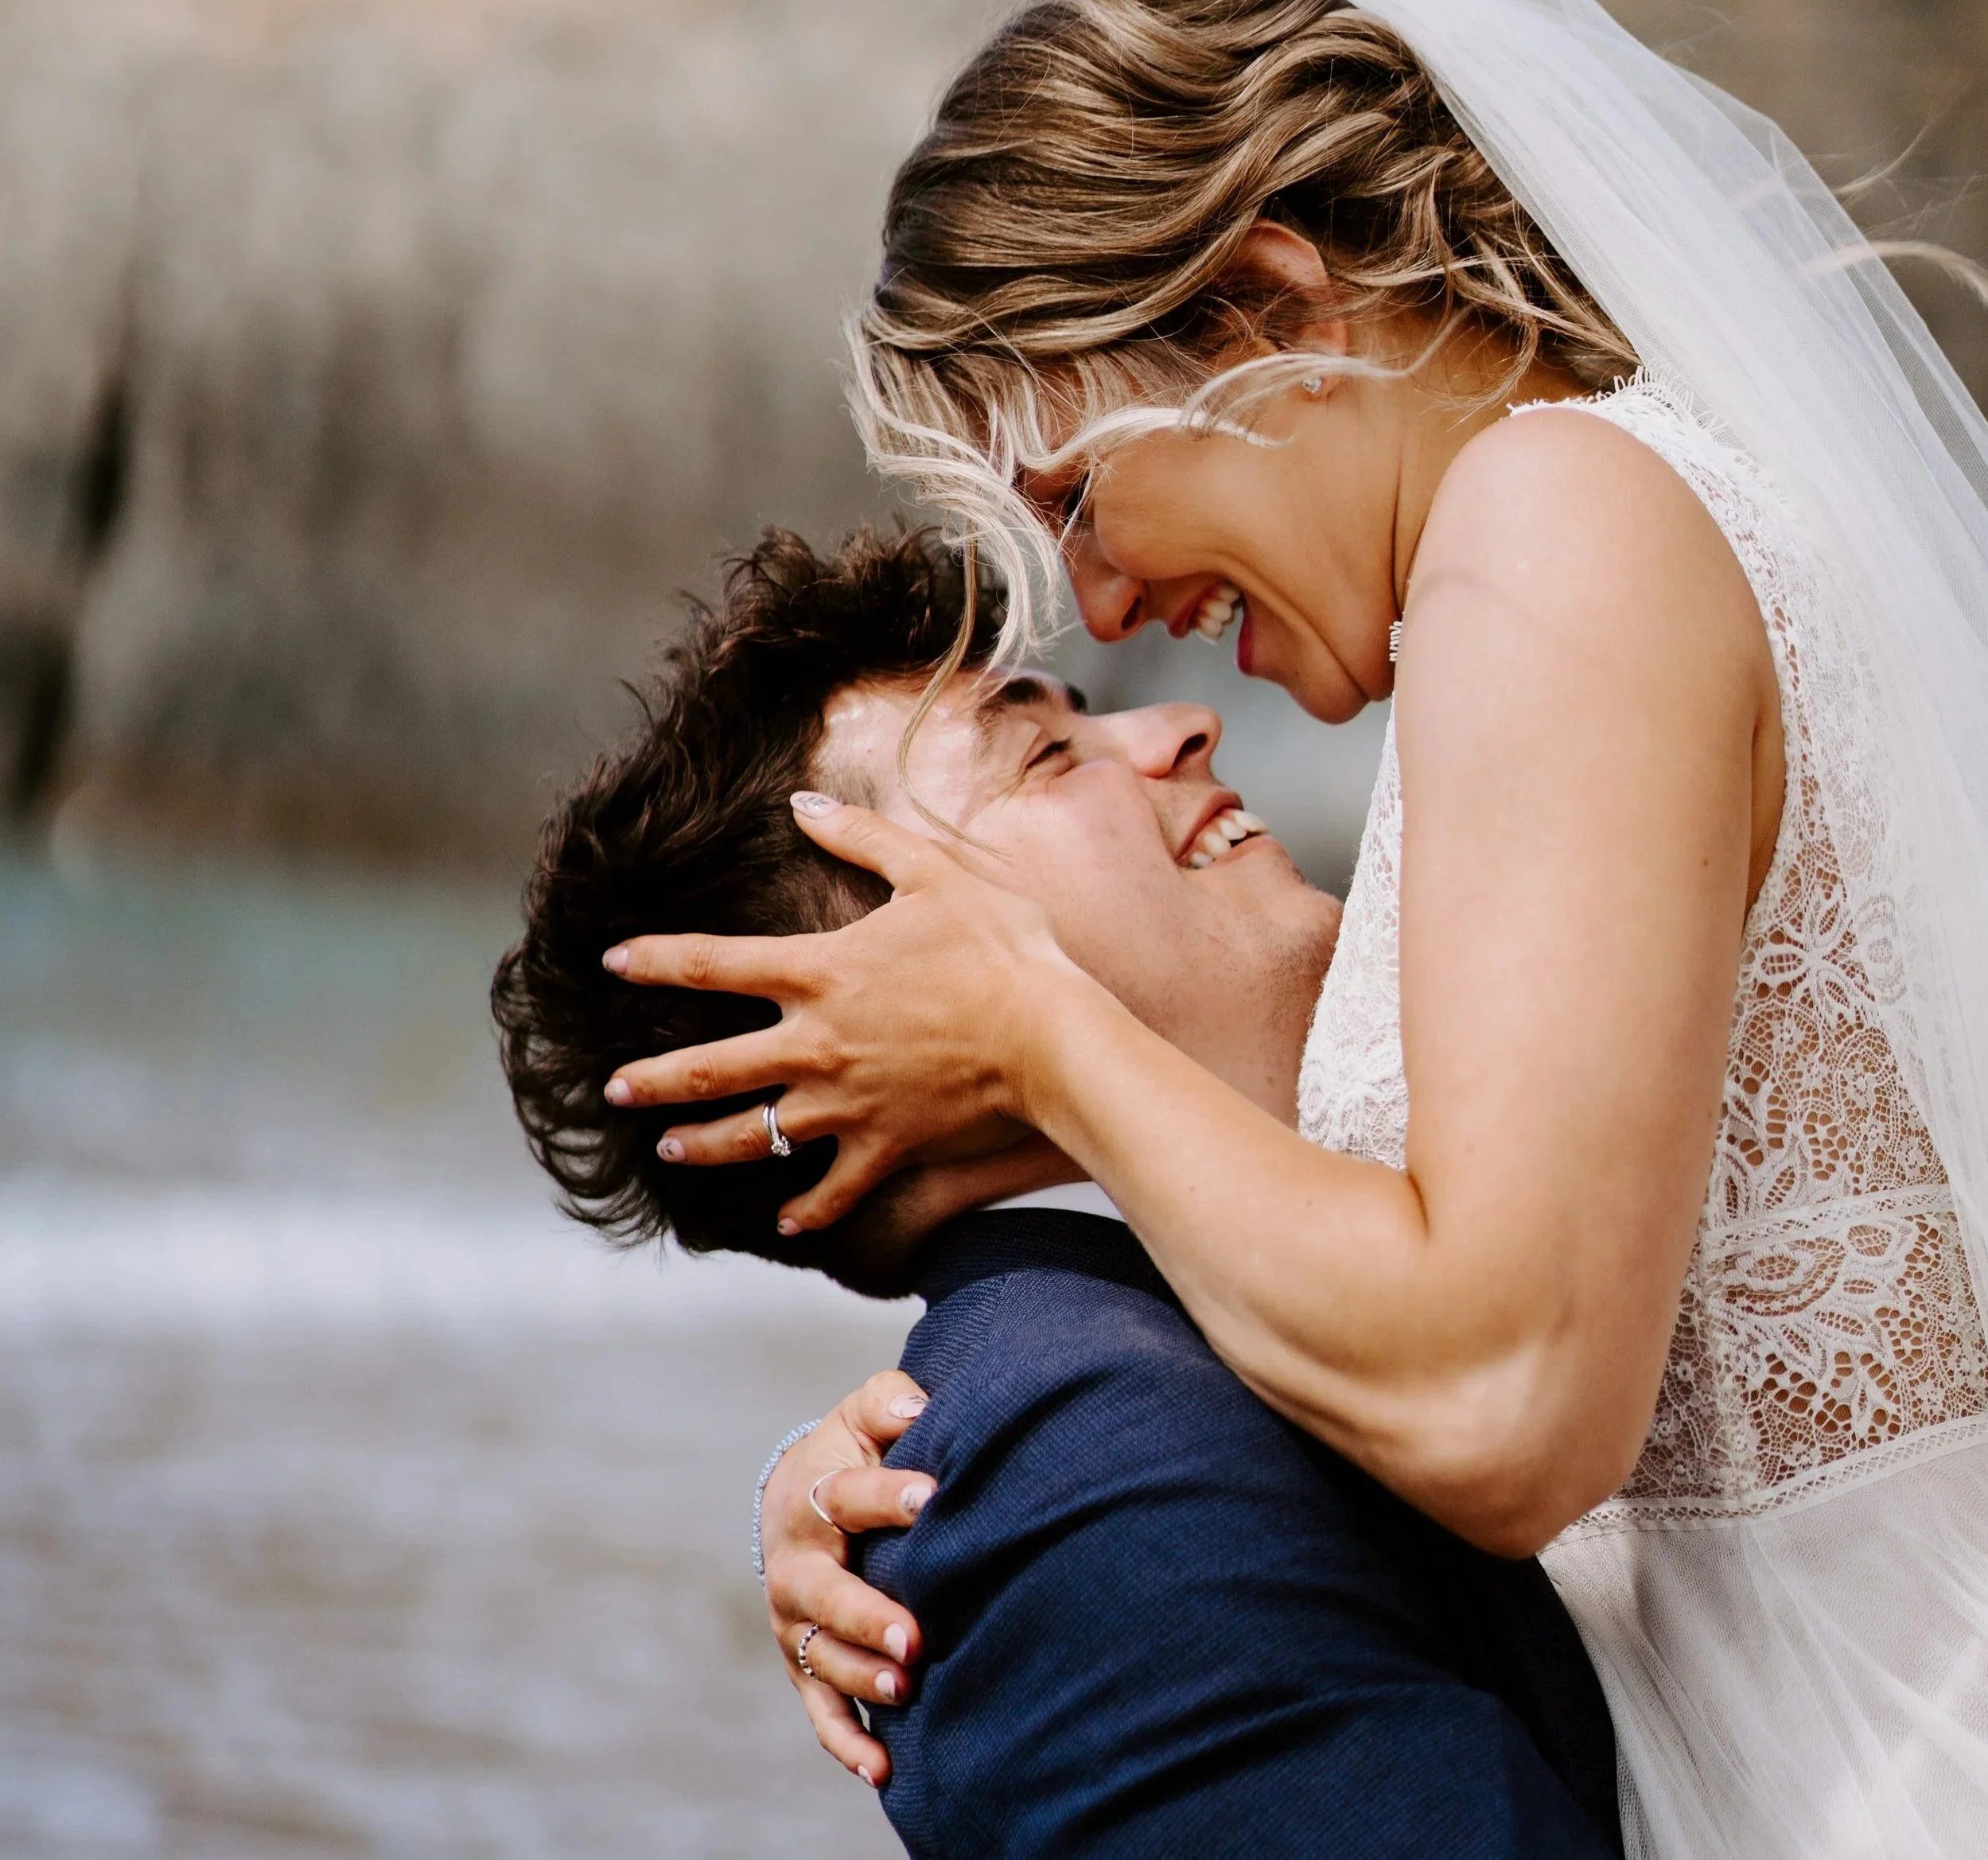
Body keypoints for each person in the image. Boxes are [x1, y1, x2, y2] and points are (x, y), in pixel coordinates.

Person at [606, 0, 1988, 1860]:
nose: (1104, 607)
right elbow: (1410, 1245)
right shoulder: (1581, 548)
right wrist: (881, 1457)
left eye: (1078, 494)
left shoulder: (1556, 522)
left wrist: (1036, 1032)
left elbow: (1509, 1397)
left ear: (1269, 303)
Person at [491, 523, 1624, 1856]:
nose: (1182, 725)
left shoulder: (1143, 1380)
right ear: (872, 1000)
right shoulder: (1081, 1491)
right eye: (1042, 752)